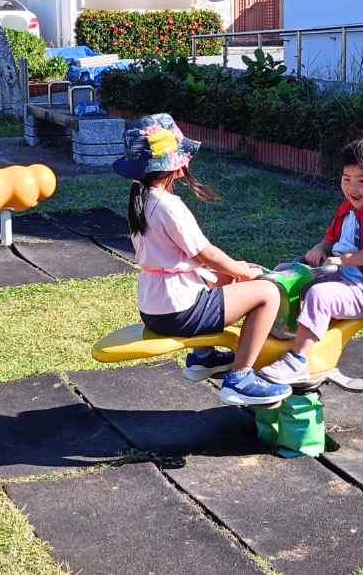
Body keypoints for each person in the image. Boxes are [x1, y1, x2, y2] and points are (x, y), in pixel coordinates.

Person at [114, 113, 291, 407]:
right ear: (174, 163)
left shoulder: (141, 197)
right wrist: (245, 272)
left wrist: (236, 269)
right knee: (268, 293)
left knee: (226, 274)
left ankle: (203, 358)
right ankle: (241, 378)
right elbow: (205, 253)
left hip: (155, 307)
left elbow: (206, 262)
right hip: (178, 311)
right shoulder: (169, 206)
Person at [259, 136, 363, 385]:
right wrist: (320, 248)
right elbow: (331, 237)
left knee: (320, 296)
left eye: (362, 181)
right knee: (284, 275)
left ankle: (297, 362)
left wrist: (344, 260)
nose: (352, 188)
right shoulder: (348, 208)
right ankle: (285, 330)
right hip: (340, 273)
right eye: (346, 179)